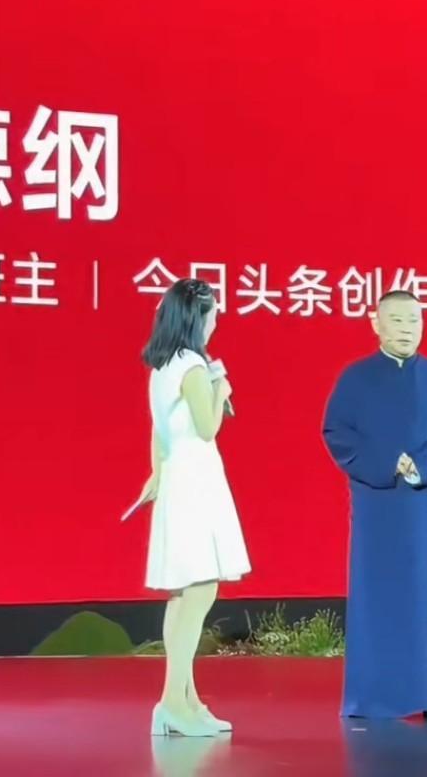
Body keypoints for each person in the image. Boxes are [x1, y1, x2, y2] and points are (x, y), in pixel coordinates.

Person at [322, 290, 427, 719]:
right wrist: (390, 462)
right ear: (376, 324)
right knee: (380, 598)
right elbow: (337, 432)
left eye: (414, 320)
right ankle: (376, 697)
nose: (407, 329)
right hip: (378, 505)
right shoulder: (355, 378)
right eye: (397, 320)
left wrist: (422, 464)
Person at [137, 278, 251, 737]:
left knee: (184, 594)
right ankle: (172, 702)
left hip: (179, 476)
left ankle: (185, 700)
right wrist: (221, 390)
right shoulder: (194, 365)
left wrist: (156, 474)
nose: (217, 320)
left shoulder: (164, 365)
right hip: (196, 479)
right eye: (213, 313)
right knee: (201, 589)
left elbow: (158, 430)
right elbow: (207, 428)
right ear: (197, 317)